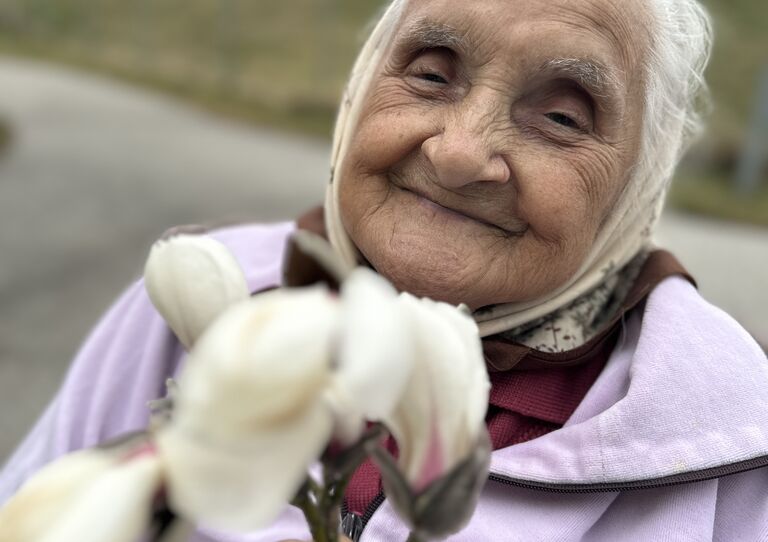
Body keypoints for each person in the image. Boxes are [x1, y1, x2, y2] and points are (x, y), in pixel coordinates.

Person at [2, 0, 768, 540]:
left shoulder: (728, 437)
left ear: (640, 178)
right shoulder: (195, 300)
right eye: (432, 73)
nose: (459, 152)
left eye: (562, 117)